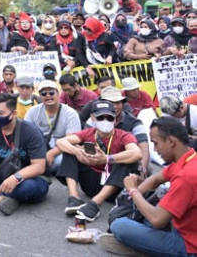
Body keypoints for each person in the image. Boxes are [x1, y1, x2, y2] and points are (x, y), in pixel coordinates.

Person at [102, 116, 197, 257]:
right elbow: (157, 178)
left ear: (171, 141)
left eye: (156, 144)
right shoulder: (189, 157)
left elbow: (157, 220)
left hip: (189, 245)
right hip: (187, 227)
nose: (155, 150)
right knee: (145, 214)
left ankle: (146, 249)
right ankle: (146, 243)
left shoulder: (187, 177)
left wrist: (133, 190)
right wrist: (135, 193)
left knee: (119, 225)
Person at [56, 100, 142, 221]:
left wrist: (107, 159)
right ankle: (74, 199)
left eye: (109, 118)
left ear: (115, 119)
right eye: (101, 117)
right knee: (69, 151)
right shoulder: (88, 133)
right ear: (93, 118)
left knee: (127, 160)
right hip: (93, 182)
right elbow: (61, 142)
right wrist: (78, 151)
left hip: (115, 186)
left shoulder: (124, 135)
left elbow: (136, 153)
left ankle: (95, 204)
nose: (105, 121)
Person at [24, 80, 81, 175]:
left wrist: (52, 153)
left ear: (58, 94)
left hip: (61, 150)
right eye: (43, 93)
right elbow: (26, 135)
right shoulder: (32, 111)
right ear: (40, 96)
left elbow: (71, 140)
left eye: (51, 92)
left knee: (64, 160)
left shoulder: (70, 113)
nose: (48, 95)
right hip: (38, 148)